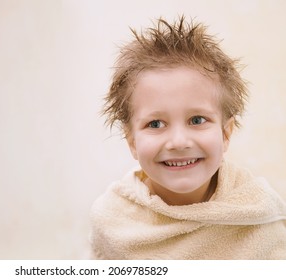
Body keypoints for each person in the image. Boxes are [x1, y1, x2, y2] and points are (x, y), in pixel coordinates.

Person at [90, 16, 286, 259]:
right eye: (156, 123)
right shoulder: (113, 221)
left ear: (226, 133)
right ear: (132, 142)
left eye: (197, 120)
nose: (179, 142)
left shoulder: (258, 213)